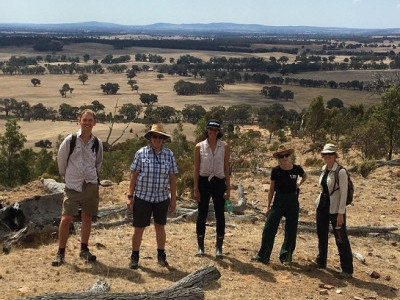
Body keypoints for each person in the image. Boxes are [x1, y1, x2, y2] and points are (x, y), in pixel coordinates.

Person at [52, 109, 103, 266]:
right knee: (66, 218)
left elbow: (98, 163)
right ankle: (60, 252)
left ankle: (84, 249)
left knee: (87, 217)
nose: (87, 123)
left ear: (94, 123)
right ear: (79, 121)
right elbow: (62, 161)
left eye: (90, 120)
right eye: (85, 120)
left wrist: (92, 177)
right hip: (73, 185)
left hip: (90, 185)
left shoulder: (97, 143)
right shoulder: (70, 140)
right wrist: (66, 176)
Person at [127, 124, 178, 269]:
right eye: (154, 136)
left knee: (160, 227)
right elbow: (134, 176)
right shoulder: (141, 153)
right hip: (143, 197)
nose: (157, 139)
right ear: (150, 138)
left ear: (163, 139)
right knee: (139, 228)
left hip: (161, 198)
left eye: (160, 137)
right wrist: (130, 196)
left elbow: (172, 178)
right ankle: (134, 256)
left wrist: (173, 199)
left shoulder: (169, 155)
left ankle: (161, 256)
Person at [251, 145, 307, 265]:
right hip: (279, 200)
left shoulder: (297, 169)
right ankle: (263, 256)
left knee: (291, 230)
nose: (284, 158)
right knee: (269, 228)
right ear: (279, 158)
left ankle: (286, 257)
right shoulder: (276, 171)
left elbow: (305, 176)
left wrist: (298, 184)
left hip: (292, 201)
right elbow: (271, 189)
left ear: (290, 156)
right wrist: (268, 207)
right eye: (281, 156)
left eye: (286, 155)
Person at [315, 143, 353, 279]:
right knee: (321, 233)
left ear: (335, 155)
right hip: (323, 205)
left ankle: (347, 269)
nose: (327, 156)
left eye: (330, 154)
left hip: (336, 208)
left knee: (340, 238)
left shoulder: (341, 171)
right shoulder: (324, 169)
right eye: (325, 154)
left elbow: (343, 193)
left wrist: (340, 213)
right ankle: (321, 261)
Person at [194, 119, 230, 258]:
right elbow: (196, 168)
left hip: (219, 182)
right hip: (204, 181)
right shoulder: (199, 146)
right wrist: (196, 188)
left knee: (220, 214)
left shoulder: (224, 146)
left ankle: (219, 247)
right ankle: (200, 247)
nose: (213, 132)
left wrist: (228, 187)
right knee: (201, 214)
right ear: (207, 130)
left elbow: (226, 167)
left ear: (219, 132)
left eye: (216, 130)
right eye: (210, 129)